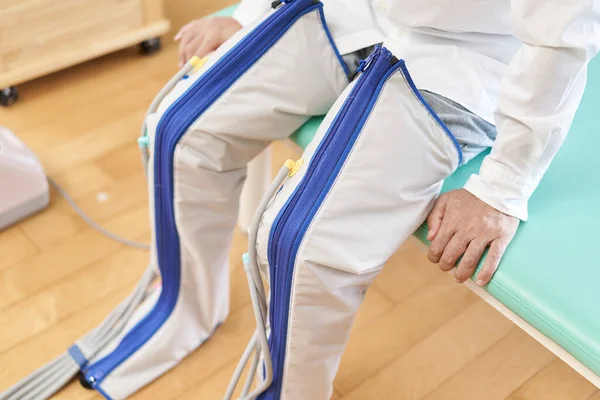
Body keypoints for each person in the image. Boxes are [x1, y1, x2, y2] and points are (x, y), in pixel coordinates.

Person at [80, 1, 600, 398]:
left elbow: (564, 31)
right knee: (178, 129)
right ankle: (182, 306)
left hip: (469, 54)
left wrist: (503, 186)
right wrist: (251, 13)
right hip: (349, 12)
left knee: (302, 242)